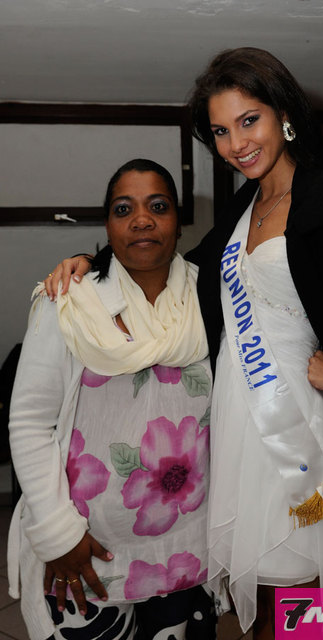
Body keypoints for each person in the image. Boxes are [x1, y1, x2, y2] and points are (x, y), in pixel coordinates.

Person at [43, 47, 323, 638]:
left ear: (284, 115)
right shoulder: (244, 206)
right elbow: (177, 268)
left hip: (294, 425)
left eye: (249, 121)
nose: (236, 144)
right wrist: (91, 261)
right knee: (264, 595)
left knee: (297, 592)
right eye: (221, 131)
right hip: (234, 421)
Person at [8, 159, 216, 640]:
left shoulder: (210, 298)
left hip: (189, 546)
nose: (142, 220)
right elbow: (30, 422)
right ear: (107, 225)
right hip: (85, 550)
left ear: (178, 221)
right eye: (124, 209)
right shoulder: (68, 301)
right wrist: (58, 535)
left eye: (158, 207)